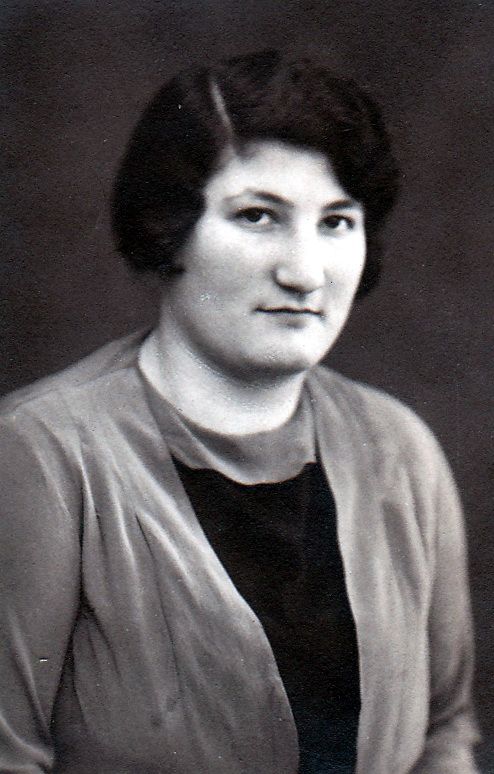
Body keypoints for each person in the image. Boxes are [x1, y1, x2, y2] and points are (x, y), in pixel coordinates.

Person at [0, 50, 479, 773]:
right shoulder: (40, 457)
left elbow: (444, 730)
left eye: (336, 222)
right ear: (168, 229)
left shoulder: (400, 449)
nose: (304, 272)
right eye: (258, 216)